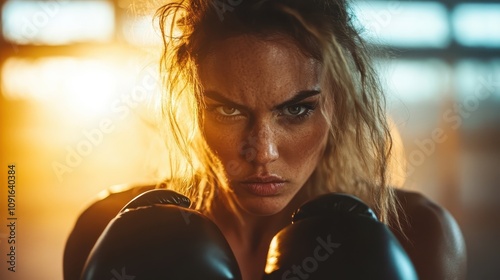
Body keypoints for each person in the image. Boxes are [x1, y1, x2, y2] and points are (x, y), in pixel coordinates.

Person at [64, 0, 467, 279]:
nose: (262, 152)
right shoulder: (106, 230)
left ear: (340, 101)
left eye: (295, 110)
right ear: (192, 103)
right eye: (228, 110)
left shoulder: (420, 236)